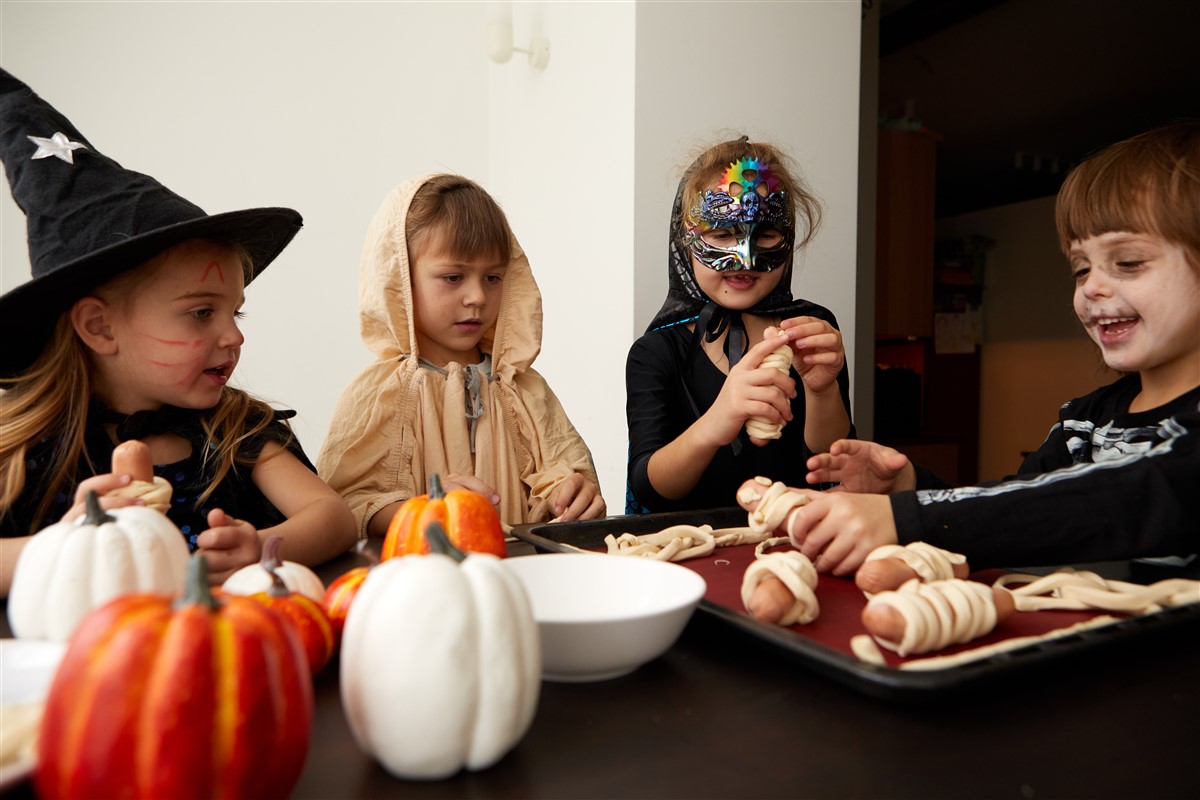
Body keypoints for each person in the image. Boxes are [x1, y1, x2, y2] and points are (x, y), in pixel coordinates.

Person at [737, 121, 1200, 573]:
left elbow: (1125, 498)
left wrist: (905, 518)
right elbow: (1015, 510)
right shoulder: (1084, 422)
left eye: (1129, 262)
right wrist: (907, 485)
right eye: (1081, 268)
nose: (1093, 287)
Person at [0, 69, 357, 594]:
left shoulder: (235, 428)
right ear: (99, 327)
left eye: (235, 313)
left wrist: (260, 548)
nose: (233, 337)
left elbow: (333, 517)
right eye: (200, 313)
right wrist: (65, 546)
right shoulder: (23, 448)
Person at [317, 174, 605, 536]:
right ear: (399, 279)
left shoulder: (525, 389)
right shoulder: (379, 394)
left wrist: (572, 494)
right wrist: (423, 512)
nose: (478, 297)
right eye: (453, 277)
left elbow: (561, 471)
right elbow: (347, 506)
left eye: (493, 278)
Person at [626, 136, 854, 514]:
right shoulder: (656, 352)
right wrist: (718, 419)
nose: (745, 258)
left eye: (765, 235)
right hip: (695, 549)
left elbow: (832, 464)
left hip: (794, 539)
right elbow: (650, 488)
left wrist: (822, 390)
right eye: (720, 234)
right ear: (686, 239)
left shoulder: (812, 330)